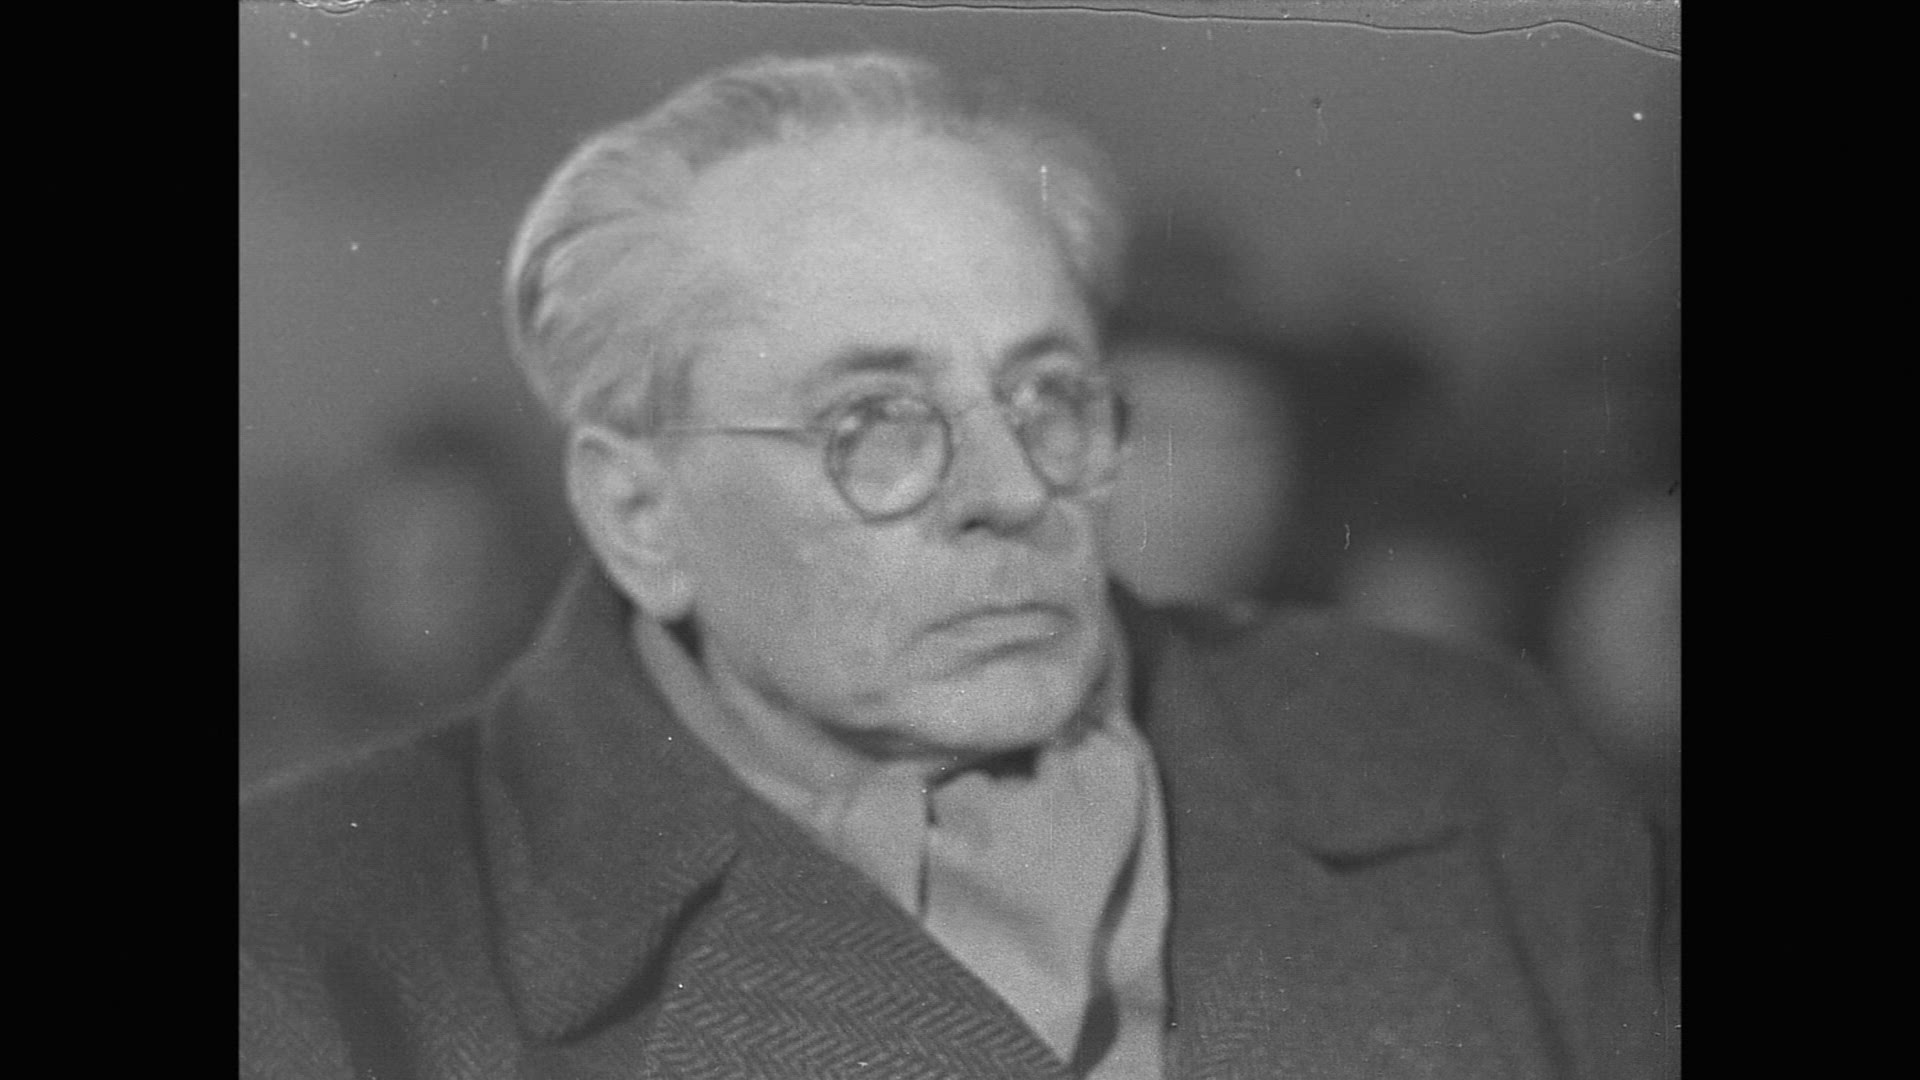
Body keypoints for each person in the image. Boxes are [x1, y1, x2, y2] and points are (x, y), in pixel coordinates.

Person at [240, 53, 1677, 1079]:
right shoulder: (302, 946)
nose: (1012, 491)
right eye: (874, 421)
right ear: (640, 514)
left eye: (1047, 394)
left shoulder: (1471, 762)